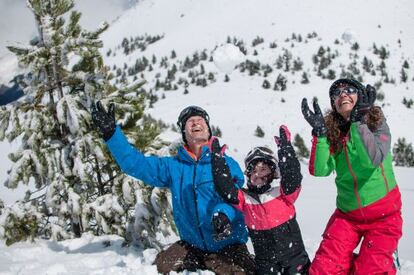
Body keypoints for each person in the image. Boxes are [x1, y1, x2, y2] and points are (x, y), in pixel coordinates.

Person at [91, 103, 255, 274]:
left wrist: (224, 214)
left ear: (208, 130)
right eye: (189, 122)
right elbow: (136, 165)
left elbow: (238, 199)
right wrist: (112, 135)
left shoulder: (226, 163)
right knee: (157, 267)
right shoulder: (173, 166)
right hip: (192, 248)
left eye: (200, 120)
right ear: (184, 133)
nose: (195, 123)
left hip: (228, 247)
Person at [301, 78, 403, 274]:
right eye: (336, 94)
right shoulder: (334, 133)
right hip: (347, 216)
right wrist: (321, 135)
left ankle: (381, 263)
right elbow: (319, 170)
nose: (342, 95)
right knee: (324, 268)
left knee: (369, 270)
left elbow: (371, 159)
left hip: (384, 216)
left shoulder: (376, 123)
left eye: (349, 90)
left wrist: (357, 122)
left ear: (361, 96)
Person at [210, 125, 310, 274]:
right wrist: (218, 161)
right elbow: (226, 189)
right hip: (266, 263)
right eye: (253, 171)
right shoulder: (245, 199)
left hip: (295, 258)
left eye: (263, 169)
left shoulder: (282, 193)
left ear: (273, 172)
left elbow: (292, 176)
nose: (257, 174)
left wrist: (286, 149)